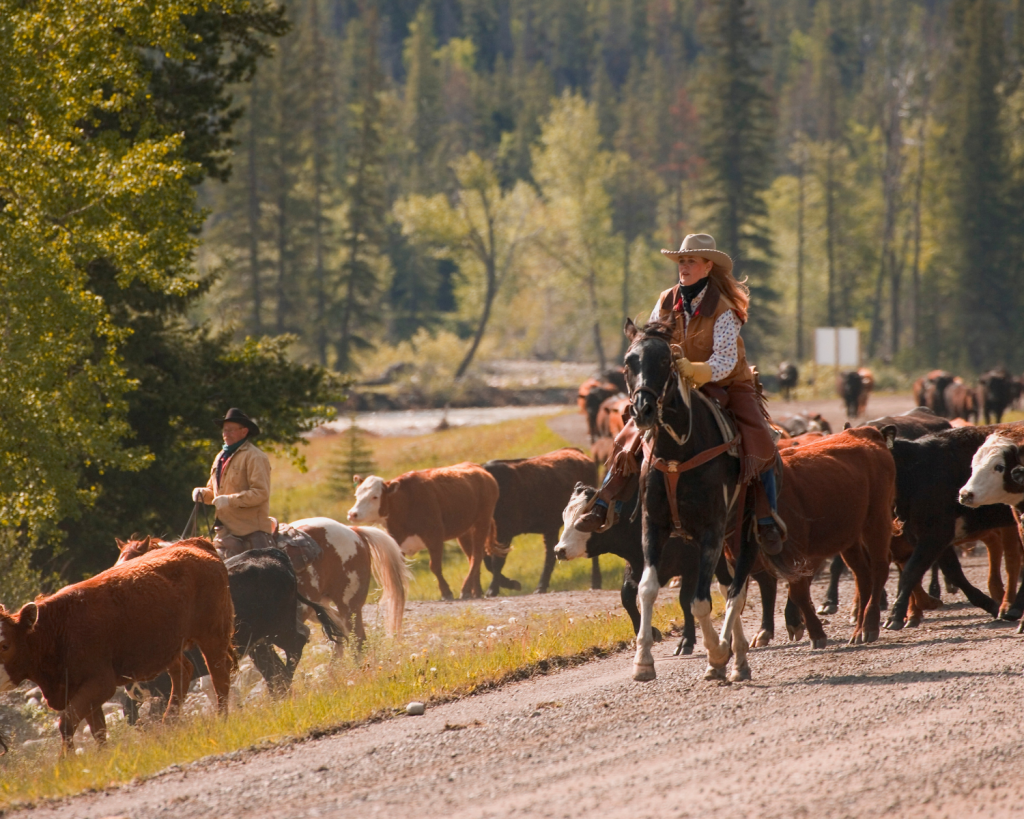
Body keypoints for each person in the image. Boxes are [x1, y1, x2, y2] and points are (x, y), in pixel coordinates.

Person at [576, 233, 784, 555]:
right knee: (632, 430)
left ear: (706, 266)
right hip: (676, 383)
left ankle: (766, 517)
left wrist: (696, 371)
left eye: (690, 262)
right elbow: (656, 339)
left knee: (760, 438)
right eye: (681, 261)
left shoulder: (726, 309)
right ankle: (603, 501)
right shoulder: (666, 299)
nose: (684, 267)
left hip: (728, 382)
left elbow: (726, 361)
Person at [192, 408, 274, 557]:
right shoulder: (221, 457)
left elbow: (261, 493)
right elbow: (215, 493)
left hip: (250, 531)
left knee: (263, 572)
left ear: (244, 432)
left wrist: (230, 500)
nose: (226, 434)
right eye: (224, 430)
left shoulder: (255, 456)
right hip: (224, 531)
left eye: (231, 430)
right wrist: (203, 494)